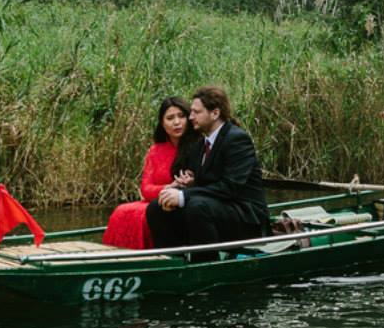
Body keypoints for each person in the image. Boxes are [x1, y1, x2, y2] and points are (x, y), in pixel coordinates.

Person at [149, 85, 264, 261]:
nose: (190, 117)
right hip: (215, 207)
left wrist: (182, 196)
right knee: (157, 207)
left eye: (196, 112)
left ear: (215, 113)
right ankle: (171, 262)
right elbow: (206, 184)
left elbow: (229, 188)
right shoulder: (200, 145)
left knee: (197, 207)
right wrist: (188, 185)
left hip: (245, 216)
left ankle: (204, 265)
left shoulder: (237, 139)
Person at [101, 98, 193, 250]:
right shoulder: (156, 150)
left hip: (179, 202)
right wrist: (168, 187)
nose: (177, 122)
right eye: (170, 118)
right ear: (162, 124)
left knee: (147, 214)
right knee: (122, 211)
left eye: (181, 116)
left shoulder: (199, 146)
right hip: (157, 198)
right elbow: (145, 187)